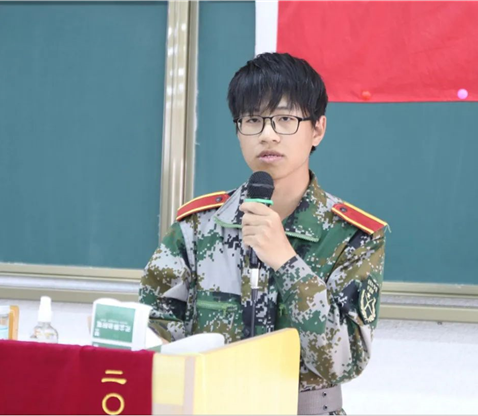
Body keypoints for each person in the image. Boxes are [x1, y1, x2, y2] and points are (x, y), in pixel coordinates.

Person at [139, 52, 388, 414]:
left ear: (317, 130)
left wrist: (286, 262)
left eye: (285, 119)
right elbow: (151, 334)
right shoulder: (197, 226)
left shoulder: (353, 236)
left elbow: (343, 363)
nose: (268, 135)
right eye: (253, 120)